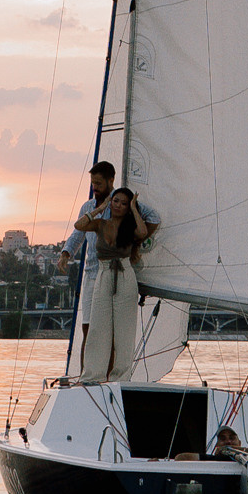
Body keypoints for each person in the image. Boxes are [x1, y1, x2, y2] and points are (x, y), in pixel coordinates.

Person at [67, 158, 155, 382]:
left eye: (122, 203)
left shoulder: (129, 222)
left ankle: (117, 378)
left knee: (122, 332)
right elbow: (79, 228)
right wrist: (100, 208)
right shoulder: (98, 218)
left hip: (125, 274)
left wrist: (134, 208)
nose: (117, 205)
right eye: (115, 201)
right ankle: (90, 376)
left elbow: (146, 227)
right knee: (95, 328)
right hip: (99, 275)